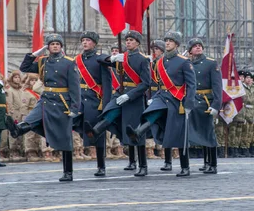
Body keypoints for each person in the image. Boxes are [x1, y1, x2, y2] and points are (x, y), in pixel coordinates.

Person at [7, 33, 81, 182]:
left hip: (62, 102)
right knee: (32, 118)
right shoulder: (43, 62)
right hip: (46, 98)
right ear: (48, 47)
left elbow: (75, 87)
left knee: (65, 138)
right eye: (52, 44)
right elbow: (25, 67)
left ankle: (68, 172)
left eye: (57, 44)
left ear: (61, 46)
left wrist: (75, 107)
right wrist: (35, 53)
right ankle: (17, 130)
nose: (55, 46)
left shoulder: (69, 62)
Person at [126, 30, 196, 177]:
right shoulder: (159, 62)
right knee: (151, 111)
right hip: (162, 96)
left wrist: (189, 103)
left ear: (176, 44)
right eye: (166, 40)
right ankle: (138, 132)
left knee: (180, 134)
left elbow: (191, 84)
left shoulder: (184, 62)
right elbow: (157, 82)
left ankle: (185, 166)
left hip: (177, 99)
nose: (167, 43)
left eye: (170, 41)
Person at [86, 30, 151, 176]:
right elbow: (100, 60)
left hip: (134, 98)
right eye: (127, 40)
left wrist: (129, 95)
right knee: (109, 111)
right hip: (120, 93)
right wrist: (113, 58)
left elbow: (146, 83)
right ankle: (96, 131)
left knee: (135, 132)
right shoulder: (122, 57)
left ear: (138, 43)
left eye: (131, 40)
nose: (128, 42)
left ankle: (143, 165)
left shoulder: (143, 59)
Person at [72, 31, 112, 177]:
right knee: (70, 122)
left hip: (95, 100)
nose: (85, 43)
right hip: (79, 98)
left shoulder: (100, 60)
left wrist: (106, 104)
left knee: (98, 134)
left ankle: (101, 166)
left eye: (88, 40)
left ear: (94, 43)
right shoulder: (76, 60)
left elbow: (107, 84)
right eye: (83, 40)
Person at [185, 38, 222, 173]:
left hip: (206, 102)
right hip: (192, 101)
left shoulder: (211, 64)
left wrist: (216, 105)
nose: (198, 47)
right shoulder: (186, 63)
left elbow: (217, 86)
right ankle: (206, 161)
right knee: (195, 133)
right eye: (195, 46)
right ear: (190, 50)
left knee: (208, 133)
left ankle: (213, 164)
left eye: (200, 45)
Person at [21, 73, 46, 162]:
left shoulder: (40, 91)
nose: (34, 82)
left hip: (39, 114)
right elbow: (23, 105)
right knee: (30, 135)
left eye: (35, 80)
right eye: (32, 80)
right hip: (30, 113)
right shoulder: (26, 92)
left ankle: (38, 151)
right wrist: (24, 116)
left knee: (38, 135)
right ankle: (30, 152)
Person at [6, 70, 26, 162]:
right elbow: (9, 104)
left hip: (22, 113)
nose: (17, 79)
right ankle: (13, 151)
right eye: (15, 77)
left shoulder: (22, 90)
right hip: (15, 114)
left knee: (21, 133)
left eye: (18, 77)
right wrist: (11, 114)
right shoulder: (10, 90)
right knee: (13, 133)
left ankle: (20, 150)